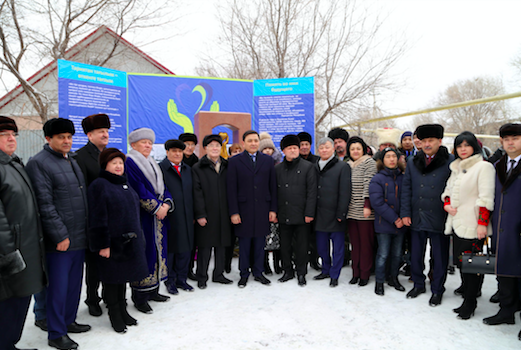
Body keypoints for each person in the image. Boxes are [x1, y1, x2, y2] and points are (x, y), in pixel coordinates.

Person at [26, 118, 91, 350]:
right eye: (61, 137)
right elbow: (44, 204)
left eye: (69, 137)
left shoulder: (70, 159)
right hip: (60, 241)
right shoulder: (39, 163)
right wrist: (59, 235)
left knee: (74, 285)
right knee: (58, 288)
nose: (66, 141)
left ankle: (68, 321)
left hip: (79, 236)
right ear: (48, 139)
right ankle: (56, 333)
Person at [87, 148, 149, 333]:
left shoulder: (124, 184)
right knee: (112, 282)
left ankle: (123, 310)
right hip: (112, 244)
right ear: (105, 165)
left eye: (120, 163)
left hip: (128, 243)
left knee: (123, 280)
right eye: (114, 163)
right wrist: (103, 244)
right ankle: (115, 315)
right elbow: (97, 217)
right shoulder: (99, 185)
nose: (118, 166)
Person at [0, 116, 46, 350]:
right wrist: (9, 255)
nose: (11, 139)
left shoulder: (14, 164)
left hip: (26, 248)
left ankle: (10, 344)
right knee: (9, 305)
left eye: (13, 134)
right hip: (11, 255)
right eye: (4, 135)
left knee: (20, 303)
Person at [440, 131, 495, 319]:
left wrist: (482, 224)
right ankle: (468, 293)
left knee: (473, 265)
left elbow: (486, 198)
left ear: (474, 147)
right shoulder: (455, 167)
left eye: (466, 145)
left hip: (473, 224)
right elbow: (448, 190)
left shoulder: (483, 167)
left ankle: (470, 302)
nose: (463, 149)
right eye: (459, 146)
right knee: (463, 263)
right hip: (457, 222)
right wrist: (447, 203)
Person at [400, 124, 454, 307]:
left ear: (440, 141)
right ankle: (418, 284)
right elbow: (406, 189)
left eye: (431, 140)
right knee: (416, 254)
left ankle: (438, 289)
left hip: (439, 216)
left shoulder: (451, 161)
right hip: (416, 214)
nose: (427, 144)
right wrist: (406, 213)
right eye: (424, 141)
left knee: (439, 257)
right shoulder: (413, 161)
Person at [126, 128, 173, 314]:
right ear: (133, 145)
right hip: (143, 217)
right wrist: (156, 208)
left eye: (150, 143)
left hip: (158, 217)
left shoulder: (152, 162)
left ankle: (153, 291)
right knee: (145, 253)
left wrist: (167, 204)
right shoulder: (130, 162)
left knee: (157, 251)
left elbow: (163, 187)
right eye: (144, 142)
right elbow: (137, 188)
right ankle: (140, 297)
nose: (147, 145)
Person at [483, 123, 521, 341]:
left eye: (515, 138)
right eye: (506, 139)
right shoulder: (496, 165)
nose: (511, 142)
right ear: (501, 142)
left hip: (519, 227)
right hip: (501, 227)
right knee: (504, 270)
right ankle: (507, 310)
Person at [227, 130, 277, 288]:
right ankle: (243, 274)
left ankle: (258, 272)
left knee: (260, 243)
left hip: (263, 208)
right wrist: (234, 212)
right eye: (250, 141)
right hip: (243, 209)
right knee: (245, 244)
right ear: (244, 143)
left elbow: (273, 187)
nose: (253, 143)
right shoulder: (235, 161)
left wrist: (273, 209)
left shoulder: (268, 161)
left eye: (256, 140)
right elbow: (231, 189)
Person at [75, 113, 110, 317]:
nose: (105, 135)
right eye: (100, 132)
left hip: (111, 217)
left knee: (108, 261)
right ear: (89, 135)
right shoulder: (80, 157)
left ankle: (107, 295)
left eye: (106, 131)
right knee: (94, 264)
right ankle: (92, 298)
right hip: (93, 219)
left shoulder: (110, 154)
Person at [192, 135, 233, 289]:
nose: (215, 148)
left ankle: (219, 274)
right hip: (207, 213)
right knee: (205, 246)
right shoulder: (198, 167)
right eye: (211, 145)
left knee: (222, 245)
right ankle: (202, 276)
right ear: (206, 148)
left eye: (217, 145)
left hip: (224, 212)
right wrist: (200, 214)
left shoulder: (227, 166)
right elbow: (196, 193)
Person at [275, 135, 317, 286]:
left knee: (302, 246)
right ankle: (287, 271)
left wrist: (309, 213)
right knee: (285, 246)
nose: (293, 151)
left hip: (302, 215)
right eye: (289, 148)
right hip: (283, 213)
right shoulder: (277, 169)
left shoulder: (308, 167)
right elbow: (274, 192)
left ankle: (301, 272)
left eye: (295, 148)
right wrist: (274, 212)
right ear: (283, 150)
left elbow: (312, 192)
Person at [313, 137, 351, 287]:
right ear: (317, 150)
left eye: (327, 147)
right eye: (321, 148)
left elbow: (345, 192)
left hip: (336, 214)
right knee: (322, 246)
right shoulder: (314, 166)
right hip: (319, 213)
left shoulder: (342, 167)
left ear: (333, 148)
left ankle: (335, 274)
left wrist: (342, 213)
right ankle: (325, 269)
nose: (324, 150)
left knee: (338, 248)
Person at [369, 147, 407, 296]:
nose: (391, 159)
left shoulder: (403, 178)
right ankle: (379, 281)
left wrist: (403, 217)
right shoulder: (377, 179)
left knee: (397, 254)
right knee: (383, 254)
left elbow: (407, 199)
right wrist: (394, 218)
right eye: (388, 157)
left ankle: (394, 278)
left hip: (401, 224)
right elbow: (377, 202)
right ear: (382, 160)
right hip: (384, 223)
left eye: (394, 156)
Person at [159, 139, 195, 294]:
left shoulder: (188, 169)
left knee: (186, 248)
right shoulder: (161, 169)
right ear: (167, 153)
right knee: (171, 250)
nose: (177, 154)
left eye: (180, 151)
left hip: (187, 215)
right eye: (174, 151)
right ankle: (170, 280)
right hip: (170, 216)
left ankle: (182, 279)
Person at [346, 136, 377, 287]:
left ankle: (364, 273)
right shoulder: (348, 164)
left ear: (363, 149)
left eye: (358, 148)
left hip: (365, 210)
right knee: (355, 244)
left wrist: (367, 204)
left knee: (365, 244)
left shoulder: (369, 163)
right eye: (352, 149)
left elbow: (369, 184)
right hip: (351, 210)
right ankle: (355, 272)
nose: (355, 151)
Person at [258, 132, 282, 275]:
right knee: (265, 238)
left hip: (277, 205)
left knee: (278, 238)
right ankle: (265, 264)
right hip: (263, 206)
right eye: (265, 149)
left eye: (270, 149)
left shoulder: (279, 164)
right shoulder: (259, 165)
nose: (268, 151)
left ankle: (278, 264)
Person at [297, 131, 320, 271]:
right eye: (301, 144)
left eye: (306, 144)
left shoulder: (317, 160)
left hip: (315, 203)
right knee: (301, 237)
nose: (304, 147)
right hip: (299, 204)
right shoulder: (293, 160)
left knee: (314, 236)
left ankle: (314, 260)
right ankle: (301, 261)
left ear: (310, 145)